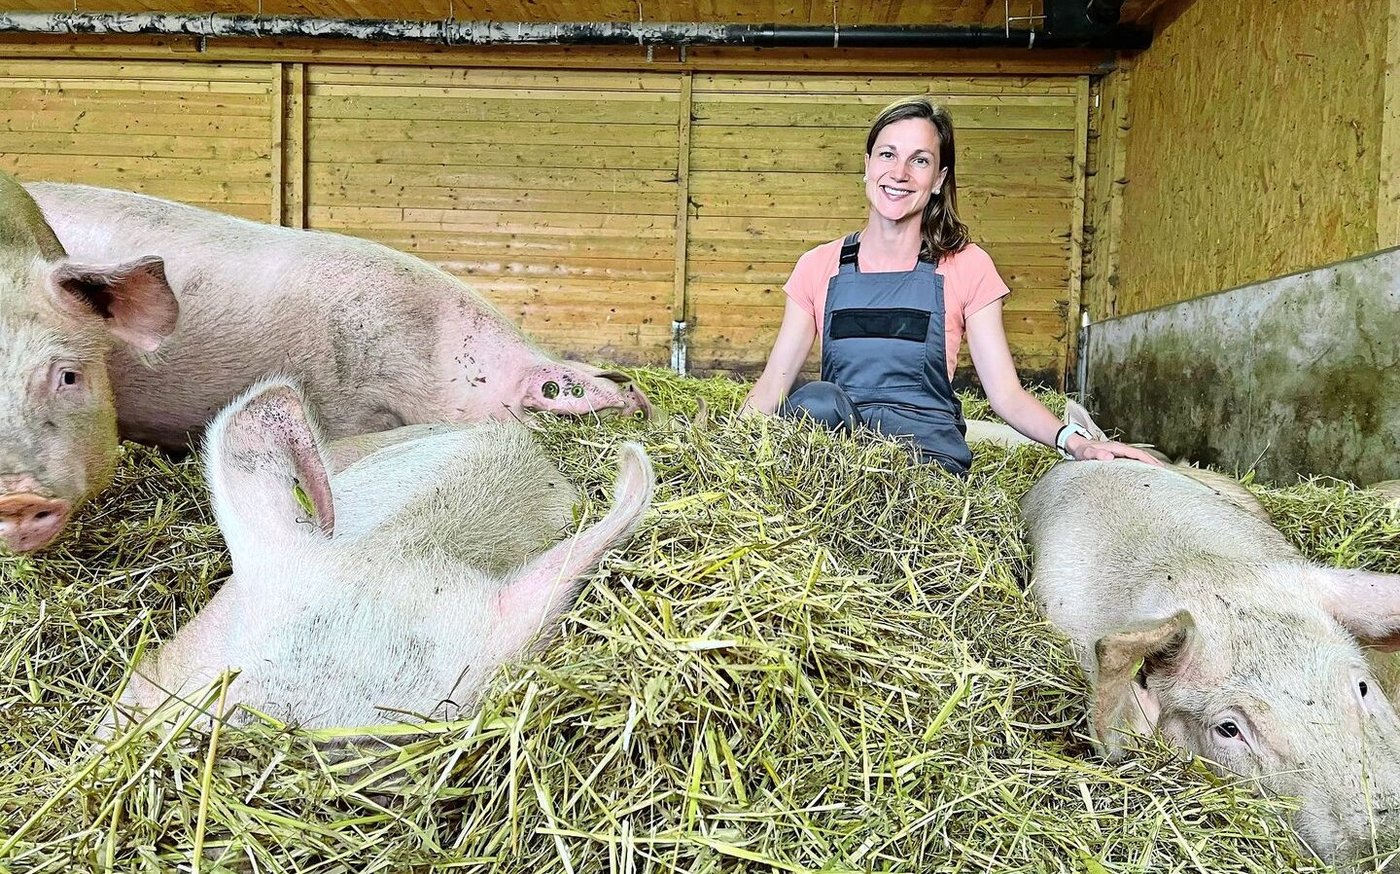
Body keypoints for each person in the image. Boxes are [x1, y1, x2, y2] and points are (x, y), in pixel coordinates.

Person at [739, 96, 1160, 474]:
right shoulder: (818, 266)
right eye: (888, 155)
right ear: (867, 165)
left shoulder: (966, 266)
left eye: (919, 160)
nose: (899, 174)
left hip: (923, 462)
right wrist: (721, 449)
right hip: (839, 461)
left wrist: (1077, 443)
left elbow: (1007, 395)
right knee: (814, 401)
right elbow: (775, 383)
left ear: (938, 179)